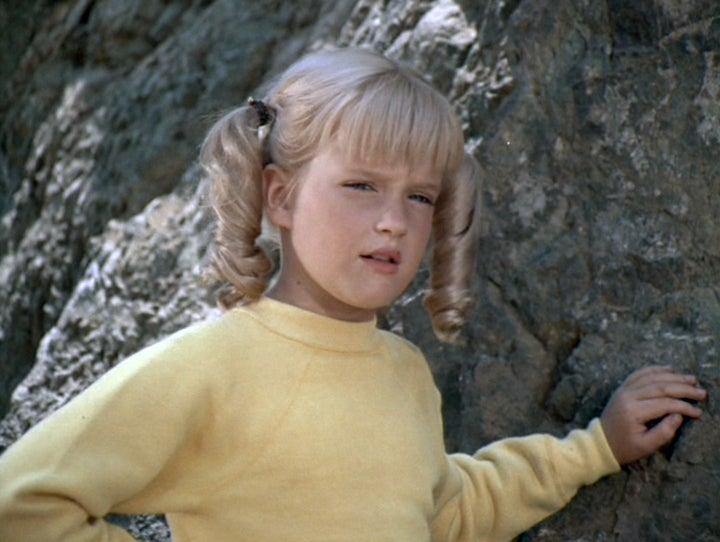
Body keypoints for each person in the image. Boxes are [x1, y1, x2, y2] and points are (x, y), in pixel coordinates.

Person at [0, 47, 707, 542]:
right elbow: (21, 503)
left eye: (420, 195)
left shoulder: (402, 373)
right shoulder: (213, 365)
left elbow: (449, 514)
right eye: (362, 184)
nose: (394, 219)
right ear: (280, 195)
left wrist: (595, 449)